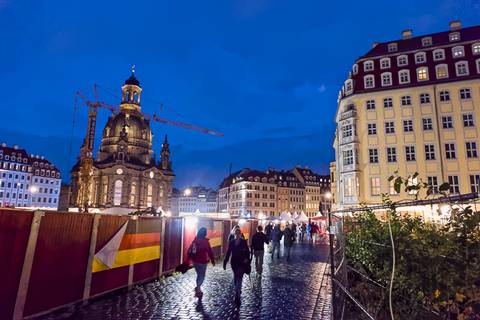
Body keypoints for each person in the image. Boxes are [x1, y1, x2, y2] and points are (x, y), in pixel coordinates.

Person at [223, 227, 251, 304]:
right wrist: (225, 262)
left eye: (238, 233)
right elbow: (228, 252)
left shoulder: (243, 242)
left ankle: (237, 293)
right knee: (236, 277)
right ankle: (237, 290)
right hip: (234, 262)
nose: (237, 235)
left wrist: (247, 259)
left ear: (240, 234)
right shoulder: (232, 242)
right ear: (235, 234)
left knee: (239, 278)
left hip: (241, 262)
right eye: (236, 233)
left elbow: (247, 252)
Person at [188, 227, 215, 298]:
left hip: (195, 261)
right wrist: (212, 259)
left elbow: (190, 250)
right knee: (202, 275)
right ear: (205, 234)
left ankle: (198, 287)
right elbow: (209, 251)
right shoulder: (205, 242)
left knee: (199, 274)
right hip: (202, 261)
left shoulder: (195, 241)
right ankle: (198, 288)